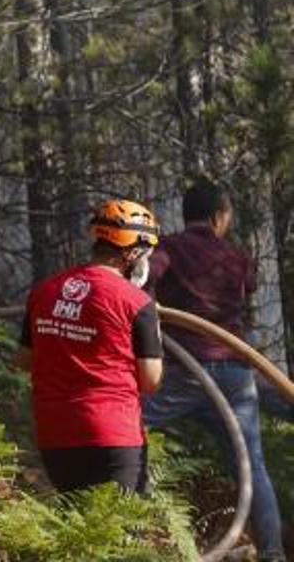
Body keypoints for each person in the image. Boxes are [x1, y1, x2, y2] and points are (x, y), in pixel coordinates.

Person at [143, 182, 286, 561]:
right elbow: (249, 285)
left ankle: (115, 518)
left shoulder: (168, 248)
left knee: (121, 426)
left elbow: (145, 278)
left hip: (181, 373)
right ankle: (273, 554)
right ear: (218, 217)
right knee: (252, 467)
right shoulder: (236, 257)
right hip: (234, 376)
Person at [17, 199, 164, 493]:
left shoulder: (45, 290)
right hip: (113, 437)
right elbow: (150, 381)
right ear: (133, 251)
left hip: (54, 435)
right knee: (121, 533)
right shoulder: (136, 303)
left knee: (79, 530)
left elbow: (24, 359)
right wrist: (154, 327)